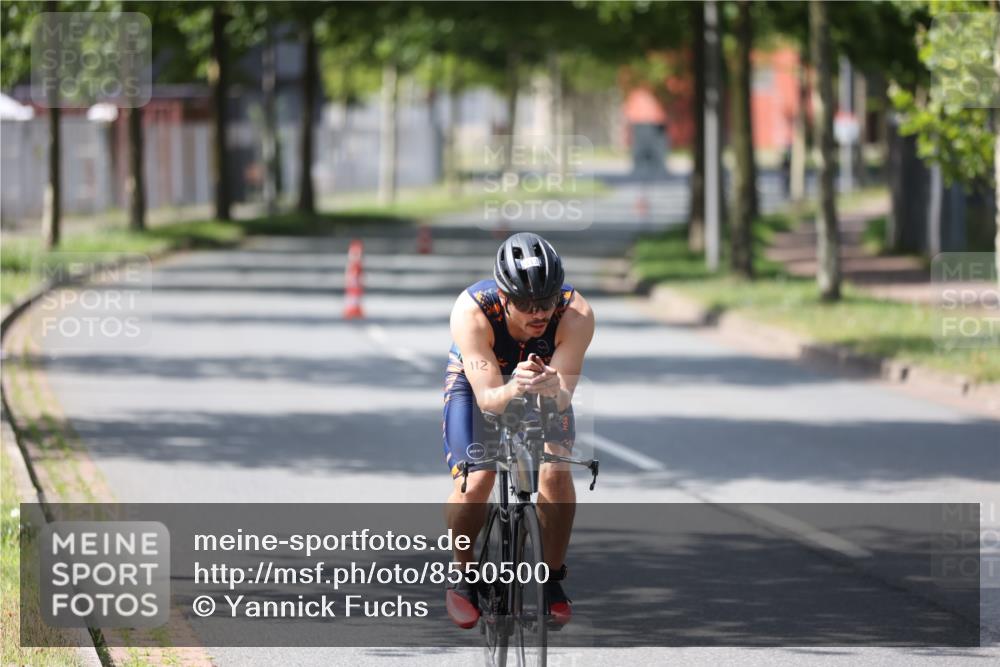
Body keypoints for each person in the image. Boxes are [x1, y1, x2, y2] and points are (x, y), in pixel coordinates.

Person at [441, 232, 595, 629]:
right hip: (482, 384)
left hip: (543, 382)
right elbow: (490, 397)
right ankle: (463, 575)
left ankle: (553, 580)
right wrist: (514, 386)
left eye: (545, 302)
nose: (538, 313)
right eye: (525, 304)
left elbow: (561, 397)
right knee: (478, 479)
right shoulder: (472, 311)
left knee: (556, 470)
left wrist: (547, 385)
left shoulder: (576, 313)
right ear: (504, 297)